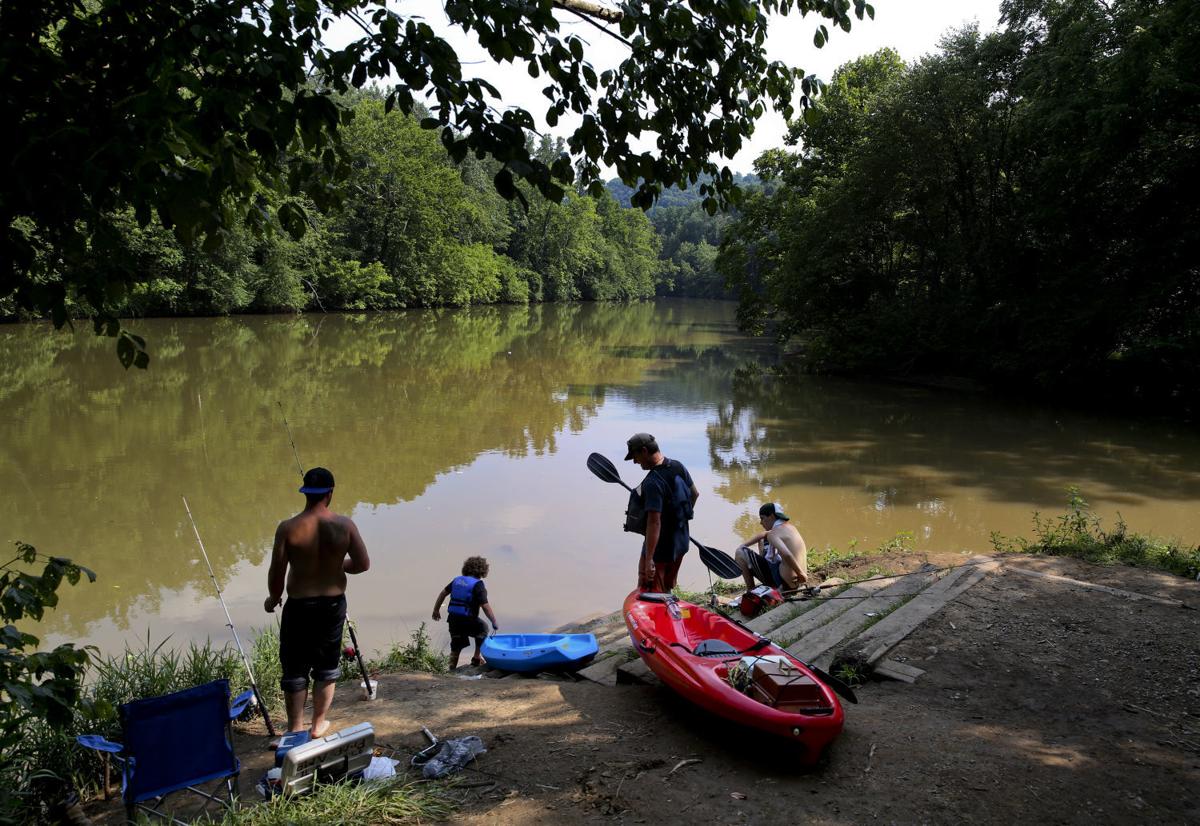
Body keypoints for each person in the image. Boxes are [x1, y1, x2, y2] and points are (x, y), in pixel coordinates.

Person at [265, 467, 370, 738]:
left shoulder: (288, 528)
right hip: (332, 605)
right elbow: (362, 564)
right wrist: (338, 564)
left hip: (299, 605)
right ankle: (318, 724)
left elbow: (277, 571)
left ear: (305, 493)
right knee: (326, 664)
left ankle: (295, 727)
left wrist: (273, 599)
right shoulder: (345, 525)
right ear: (330, 493)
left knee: (295, 665)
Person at [625, 432, 699, 593]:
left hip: (661, 547)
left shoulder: (653, 482)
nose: (635, 462)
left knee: (650, 590)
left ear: (644, 451)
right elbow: (694, 494)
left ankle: (658, 615)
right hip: (681, 540)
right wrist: (679, 519)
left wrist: (649, 558)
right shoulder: (678, 466)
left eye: (635, 457)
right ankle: (670, 607)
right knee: (668, 585)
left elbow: (654, 522)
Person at [431, 556, 498, 670]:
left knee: (456, 644)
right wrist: (494, 620)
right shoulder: (478, 585)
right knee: (483, 628)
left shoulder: (457, 580)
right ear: (483, 570)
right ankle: (476, 658)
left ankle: (451, 668)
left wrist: (436, 610)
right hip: (468, 619)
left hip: (453, 619)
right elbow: (485, 606)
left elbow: (443, 593)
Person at [735, 502, 808, 592]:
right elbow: (764, 534)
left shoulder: (773, 534)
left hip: (785, 583)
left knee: (740, 553)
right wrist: (744, 545)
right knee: (762, 541)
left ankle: (751, 590)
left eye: (762, 518)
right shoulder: (790, 527)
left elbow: (787, 554)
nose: (761, 522)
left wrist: (801, 574)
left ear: (772, 516)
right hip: (797, 582)